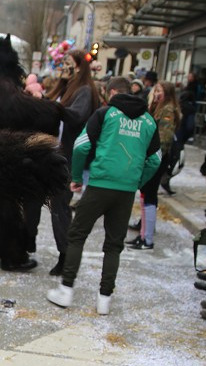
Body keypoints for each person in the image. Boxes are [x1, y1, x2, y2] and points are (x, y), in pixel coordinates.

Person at [47, 75, 161, 315]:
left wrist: (76, 177)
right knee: (113, 245)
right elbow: (155, 159)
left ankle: (66, 290)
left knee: (77, 235)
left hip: (100, 184)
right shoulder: (149, 121)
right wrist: (137, 181)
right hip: (126, 190)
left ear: (111, 93)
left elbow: (81, 146)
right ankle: (104, 299)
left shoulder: (105, 114)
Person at [45, 49, 101, 276]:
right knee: (57, 206)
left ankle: (67, 257)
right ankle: (66, 255)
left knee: (59, 205)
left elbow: (76, 116)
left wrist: (54, 108)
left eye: (68, 63)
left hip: (72, 157)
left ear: (79, 67)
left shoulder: (85, 90)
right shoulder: (69, 87)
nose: (64, 67)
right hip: (61, 154)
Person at [129, 81, 180, 250]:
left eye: (160, 91)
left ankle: (147, 239)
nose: (156, 93)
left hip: (157, 158)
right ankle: (143, 234)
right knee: (145, 194)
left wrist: (153, 158)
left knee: (149, 195)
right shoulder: (157, 107)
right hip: (153, 156)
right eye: (155, 90)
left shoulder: (168, 110)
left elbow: (164, 138)